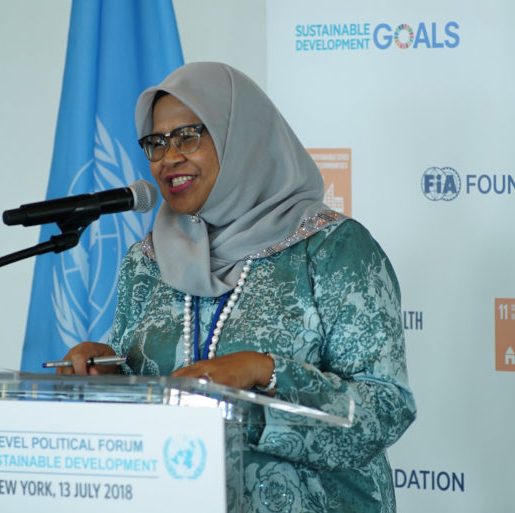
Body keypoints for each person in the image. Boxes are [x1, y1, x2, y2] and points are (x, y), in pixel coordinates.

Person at [59, 62, 416, 512]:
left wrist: (263, 371)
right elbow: (152, 393)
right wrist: (108, 376)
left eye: (188, 136)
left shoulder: (333, 250)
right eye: (156, 143)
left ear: (240, 136)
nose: (168, 158)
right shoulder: (145, 261)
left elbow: (385, 409)